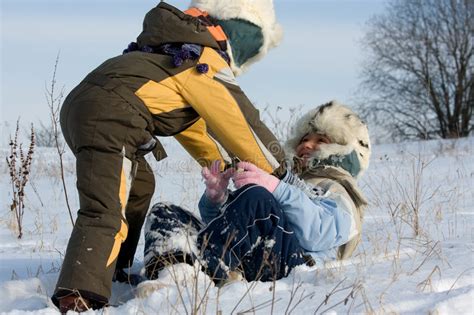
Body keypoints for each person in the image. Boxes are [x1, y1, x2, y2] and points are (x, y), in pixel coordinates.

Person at [52, 0, 284, 312]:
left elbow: (195, 131)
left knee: (138, 183)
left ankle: (112, 269)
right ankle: (78, 294)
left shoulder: (171, 55)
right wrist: (278, 171)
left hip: (84, 107)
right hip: (111, 115)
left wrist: (223, 167)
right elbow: (240, 122)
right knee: (106, 206)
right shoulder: (202, 59)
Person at [144, 101, 371, 285]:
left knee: (255, 196)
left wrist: (276, 188)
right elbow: (234, 230)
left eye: (321, 140)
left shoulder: (338, 187)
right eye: (305, 139)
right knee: (166, 211)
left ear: (343, 149)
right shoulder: (291, 180)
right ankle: (171, 274)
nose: (308, 145)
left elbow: (320, 233)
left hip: (296, 265)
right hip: (258, 254)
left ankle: (202, 273)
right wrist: (218, 200)